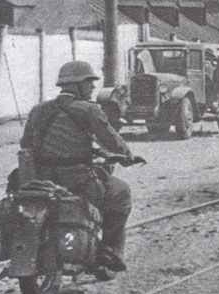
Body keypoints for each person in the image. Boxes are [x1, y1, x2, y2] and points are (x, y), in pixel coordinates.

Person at [20, 61, 137, 272]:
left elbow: (26, 144)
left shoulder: (38, 110)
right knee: (121, 193)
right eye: (89, 82)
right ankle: (109, 251)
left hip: (40, 180)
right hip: (76, 179)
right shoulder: (88, 110)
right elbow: (111, 140)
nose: (92, 87)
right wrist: (127, 156)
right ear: (78, 85)